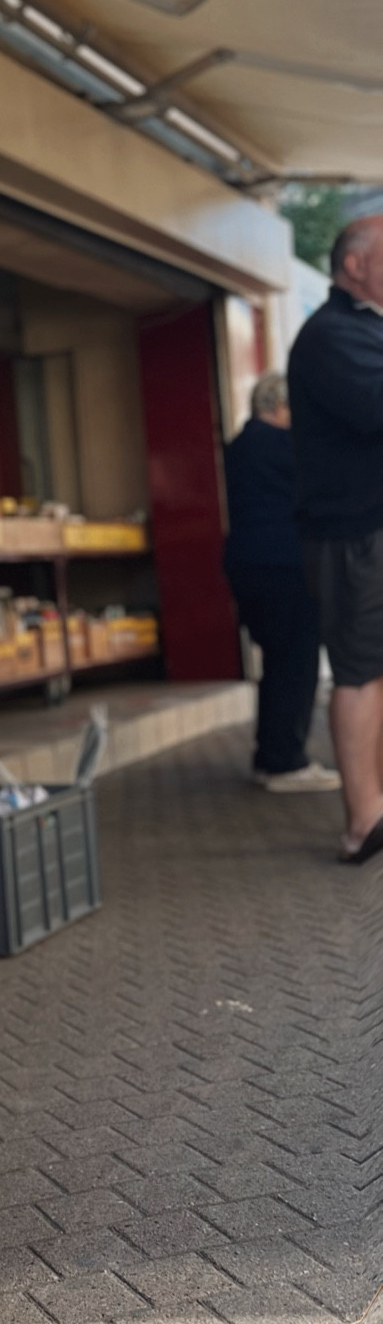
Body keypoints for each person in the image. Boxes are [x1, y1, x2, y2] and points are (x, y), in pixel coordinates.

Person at [288, 212, 383, 864]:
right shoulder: (332, 334)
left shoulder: (363, 329)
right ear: (355, 264)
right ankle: (363, 820)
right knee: (358, 671)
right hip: (354, 534)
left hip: (370, 529)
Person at [222, 371, 337, 792]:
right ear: (278, 407)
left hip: (248, 566)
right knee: (297, 662)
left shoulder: (239, 447)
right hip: (286, 567)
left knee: (276, 664)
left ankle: (269, 757)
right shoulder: (283, 447)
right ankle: (287, 762)